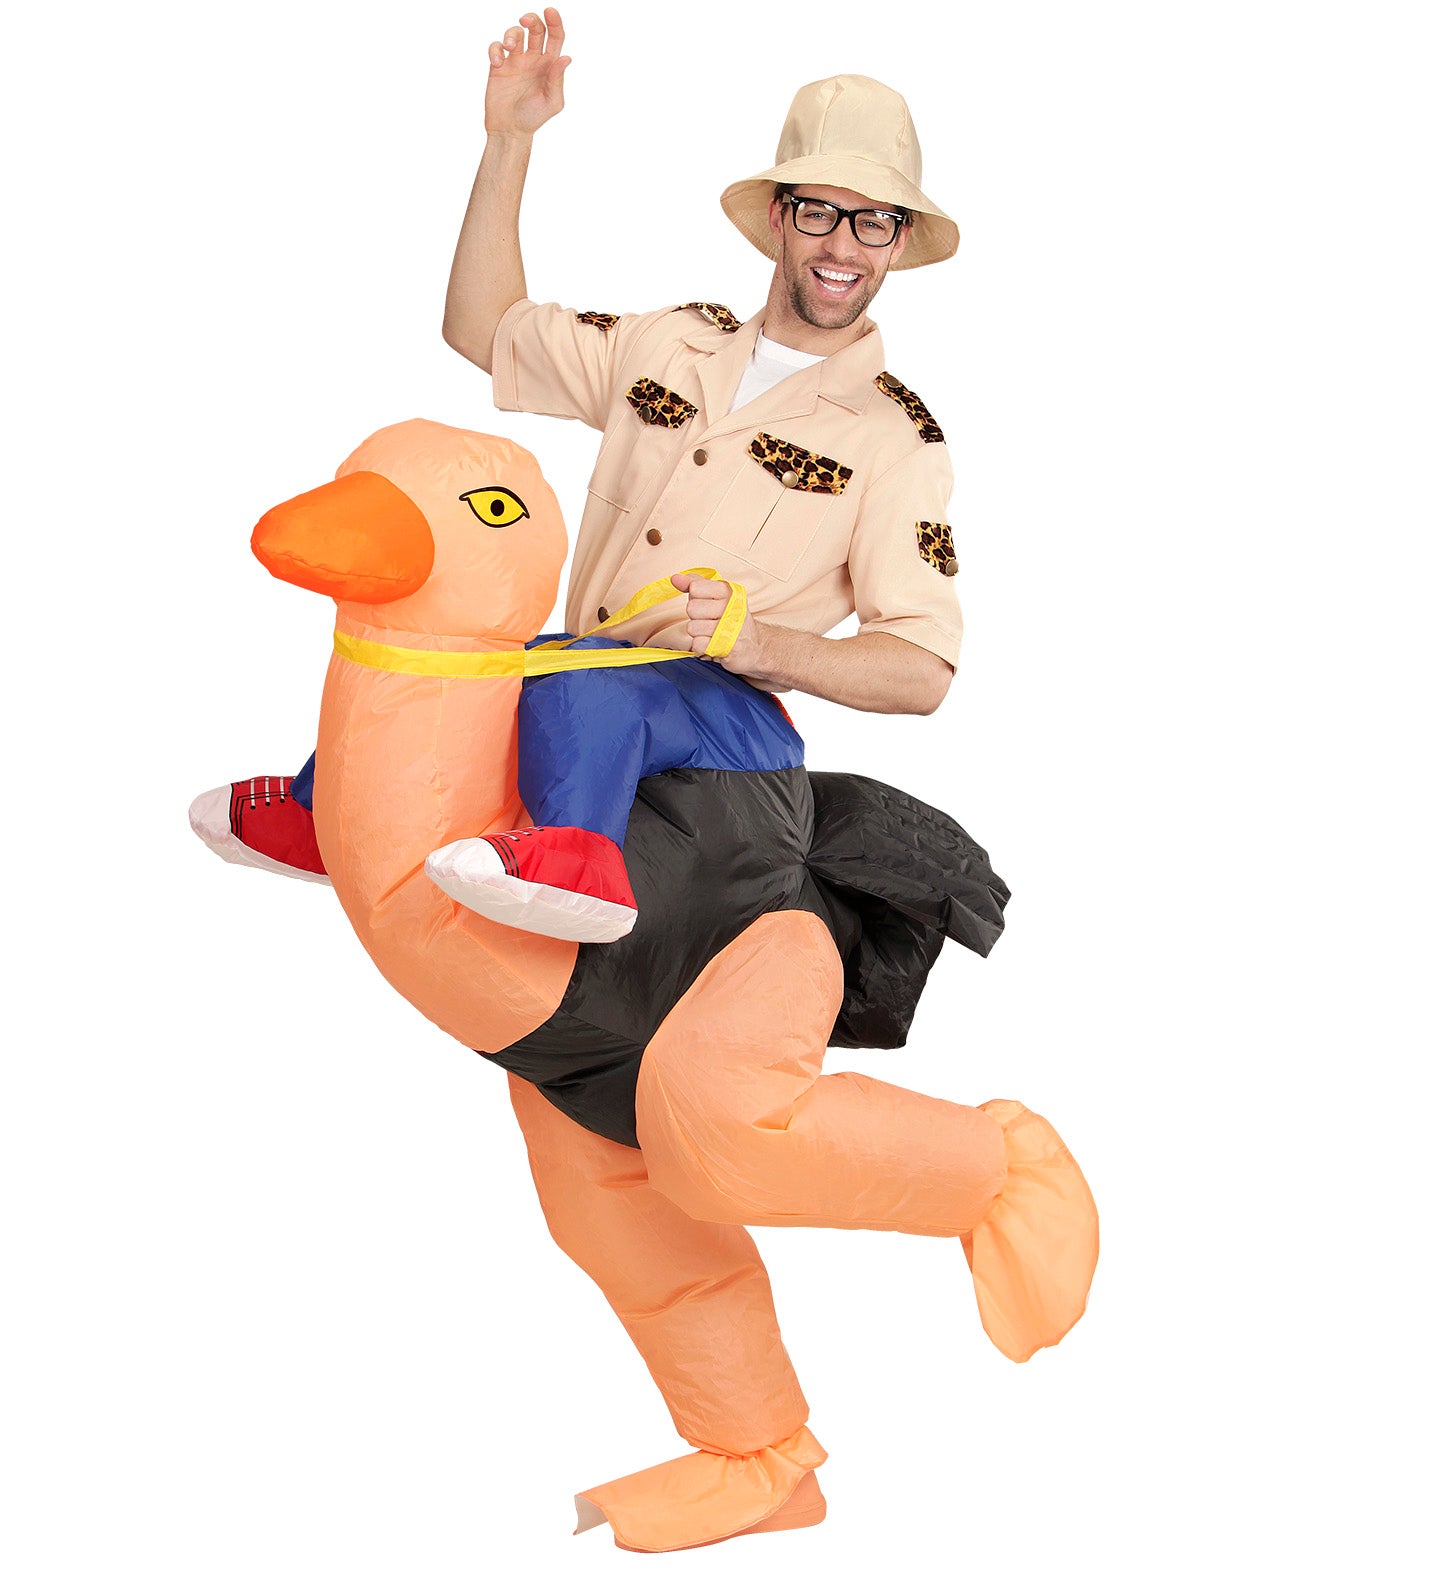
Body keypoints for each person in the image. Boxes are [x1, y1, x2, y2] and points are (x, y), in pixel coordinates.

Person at [195, 10, 966, 943]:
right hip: (587, 667)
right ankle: (328, 814)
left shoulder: (898, 441)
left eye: (874, 220)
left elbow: (921, 669)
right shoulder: (667, 344)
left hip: (727, 726)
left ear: (898, 241)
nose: (843, 245)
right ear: (777, 217)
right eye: (819, 212)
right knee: (473, 659)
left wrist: (762, 642)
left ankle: (578, 861)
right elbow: (484, 329)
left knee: (576, 686)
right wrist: (508, 140)